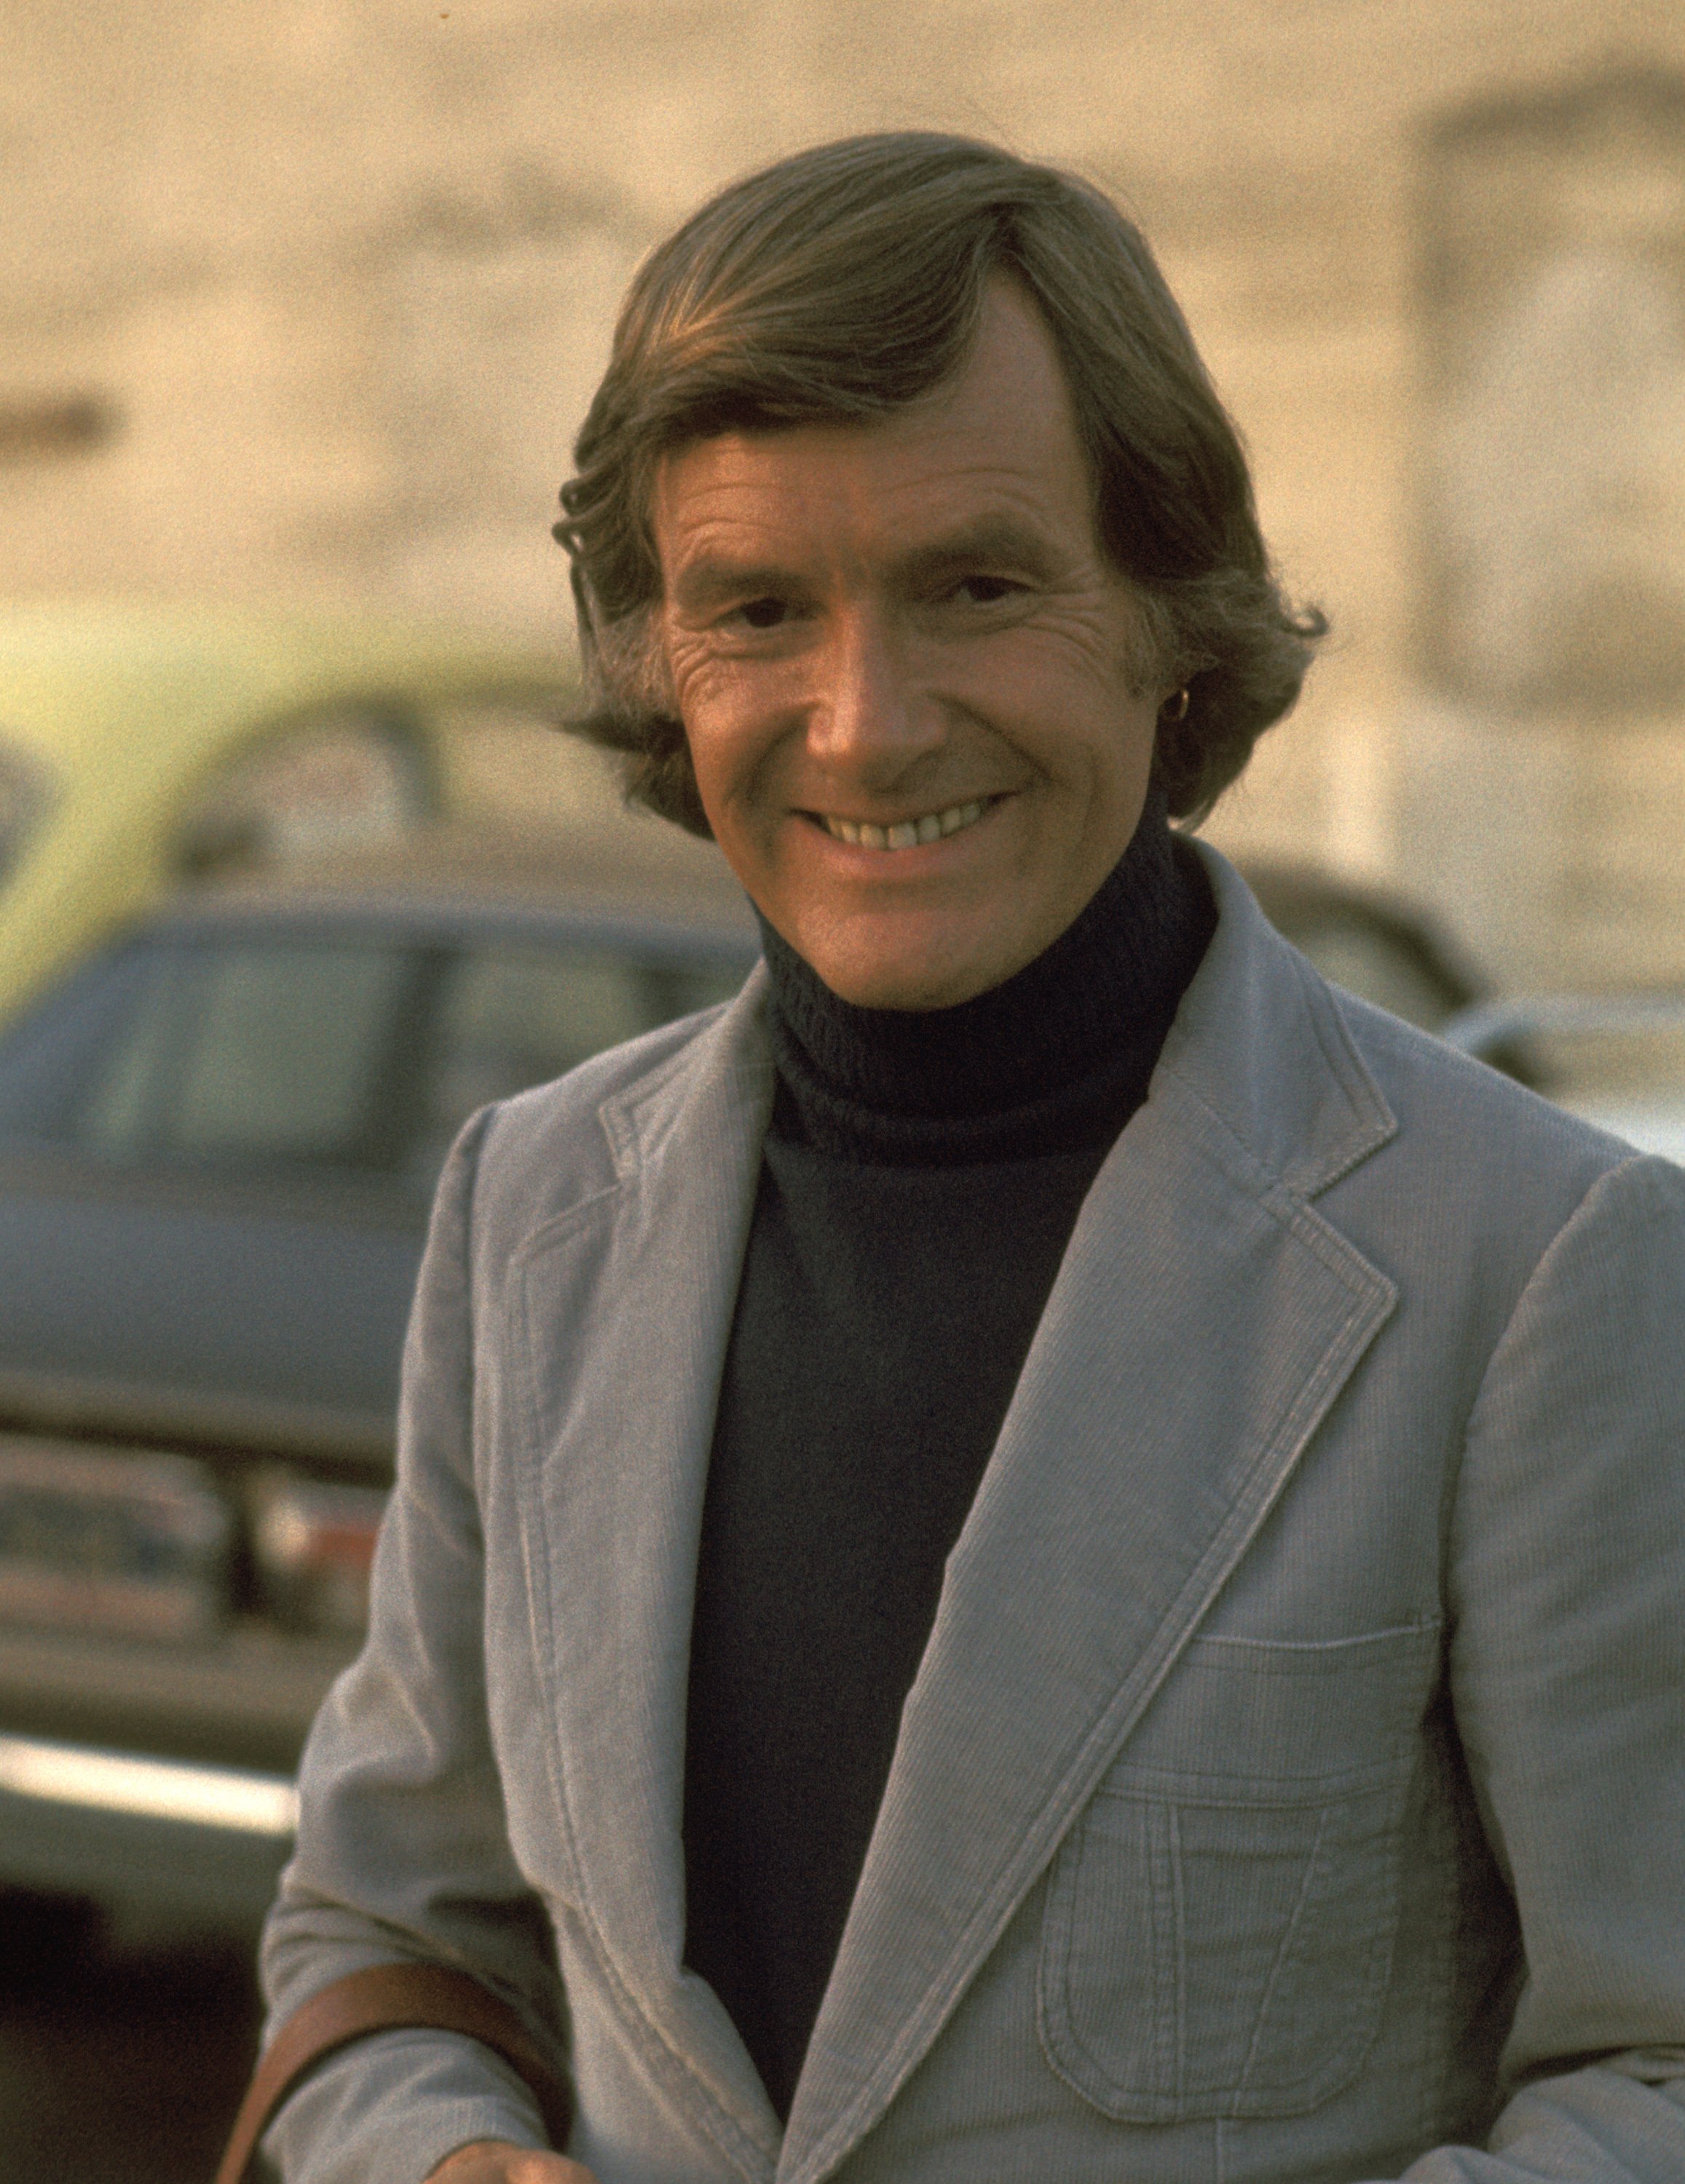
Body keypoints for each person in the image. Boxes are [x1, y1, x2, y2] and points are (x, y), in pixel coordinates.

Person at [258, 135, 1685, 2184]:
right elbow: (385, 1930)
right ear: (662, 661)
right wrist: (435, 2158)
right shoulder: (531, 1207)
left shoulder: (1539, 1264)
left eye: (977, 586)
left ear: (1169, 623)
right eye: (758, 608)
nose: (863, 723)